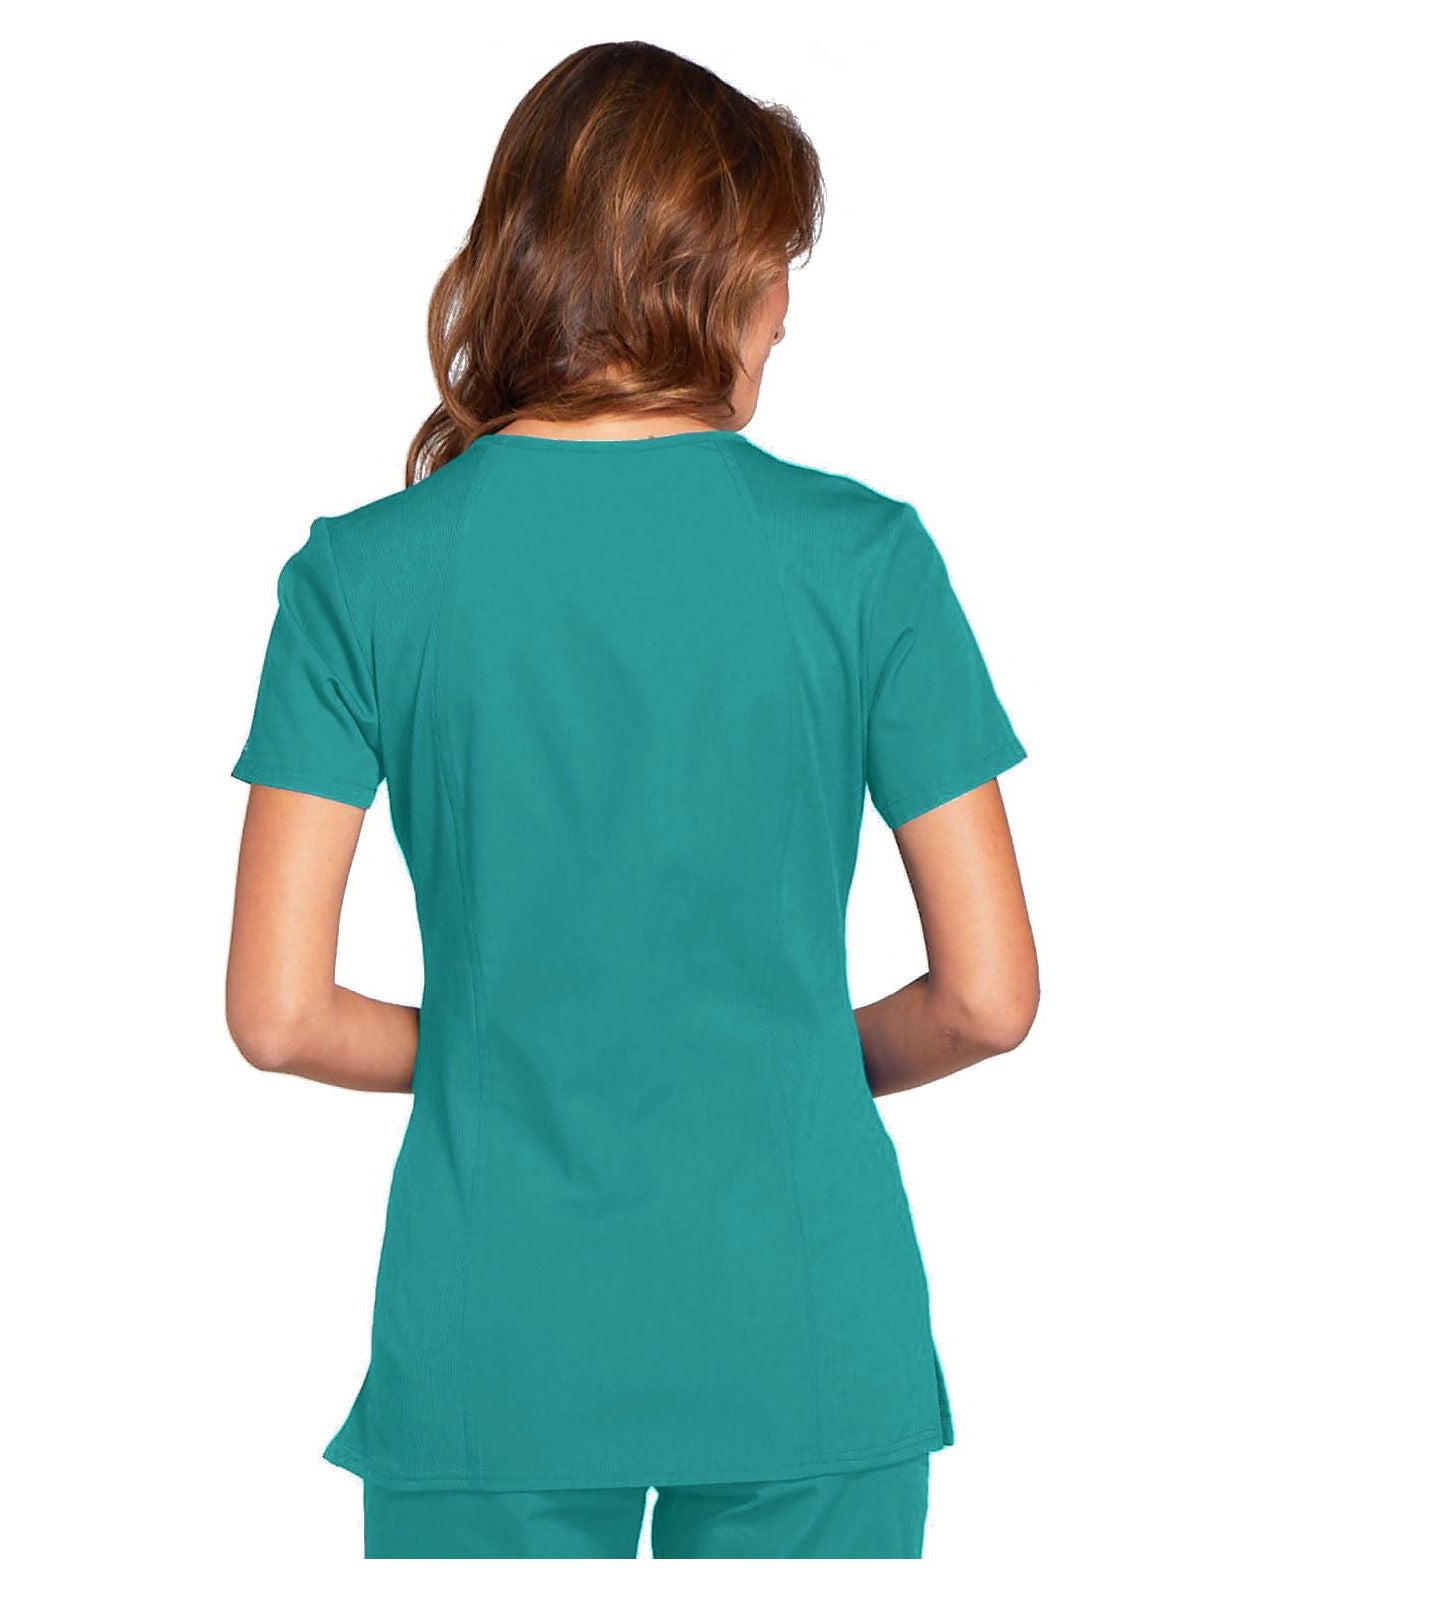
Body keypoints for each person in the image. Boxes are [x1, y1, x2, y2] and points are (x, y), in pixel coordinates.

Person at [225, 39, 1038, 1560]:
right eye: (778, 266)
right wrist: (783, 1051)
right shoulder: (864, 559)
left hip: (493, 1345)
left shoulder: (360, 577)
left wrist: (517, 1048)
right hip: (808, 1329)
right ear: (706, 276)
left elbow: (279, 1015)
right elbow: (988, 1001)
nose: (789, 310)